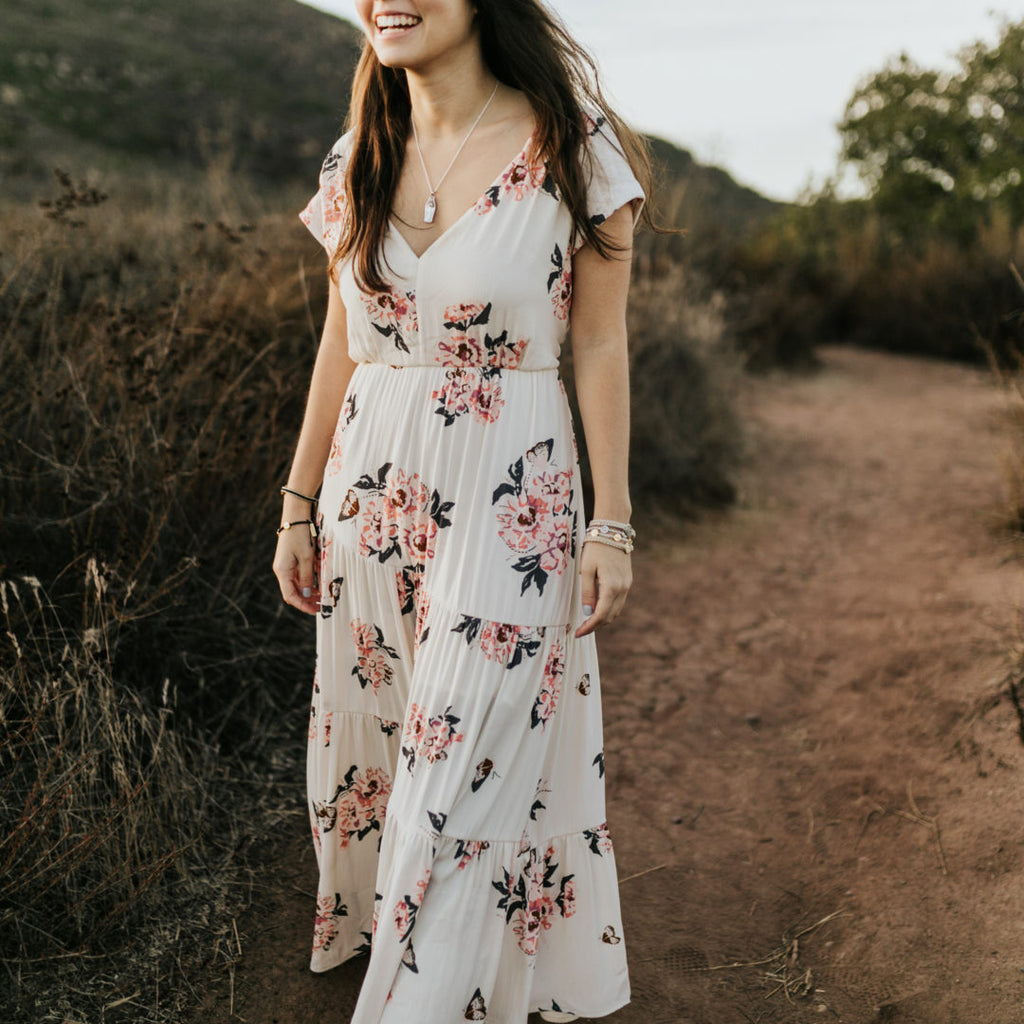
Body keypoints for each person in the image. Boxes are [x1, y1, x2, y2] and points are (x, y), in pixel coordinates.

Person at [273, 1, 651, 1020]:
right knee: (392, 751)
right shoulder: (357, 156)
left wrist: (609, 521)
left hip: (510, 502)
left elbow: (602, 346)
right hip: (368, 497)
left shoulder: (573, 149)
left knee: (460, 767)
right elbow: (339, 342)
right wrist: (297, 504)